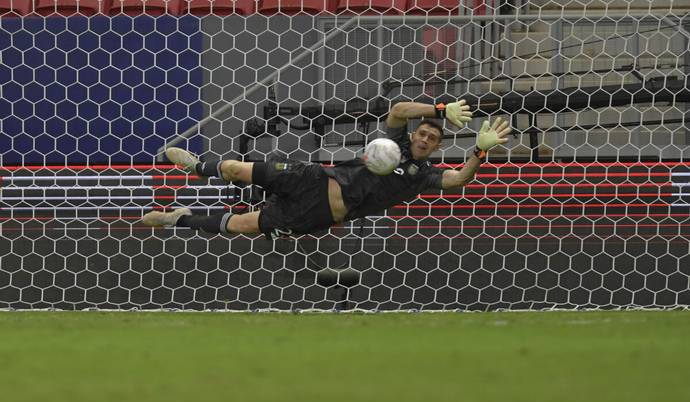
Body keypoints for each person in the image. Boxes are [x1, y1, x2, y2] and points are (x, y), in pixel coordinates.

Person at [142, 100, 511, 240]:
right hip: (315, 177)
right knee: (239, 168)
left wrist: (479, 150)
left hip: (318, 212)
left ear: (437, 147)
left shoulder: (424, 175)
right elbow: (398, 109)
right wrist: (439, 108)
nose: (426, 139)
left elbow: (459, 178)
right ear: (417, 134)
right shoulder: (395, 143)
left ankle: (178, 219)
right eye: (424, 132)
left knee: (242, 225)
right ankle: (200, 167)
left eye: (433, 139)